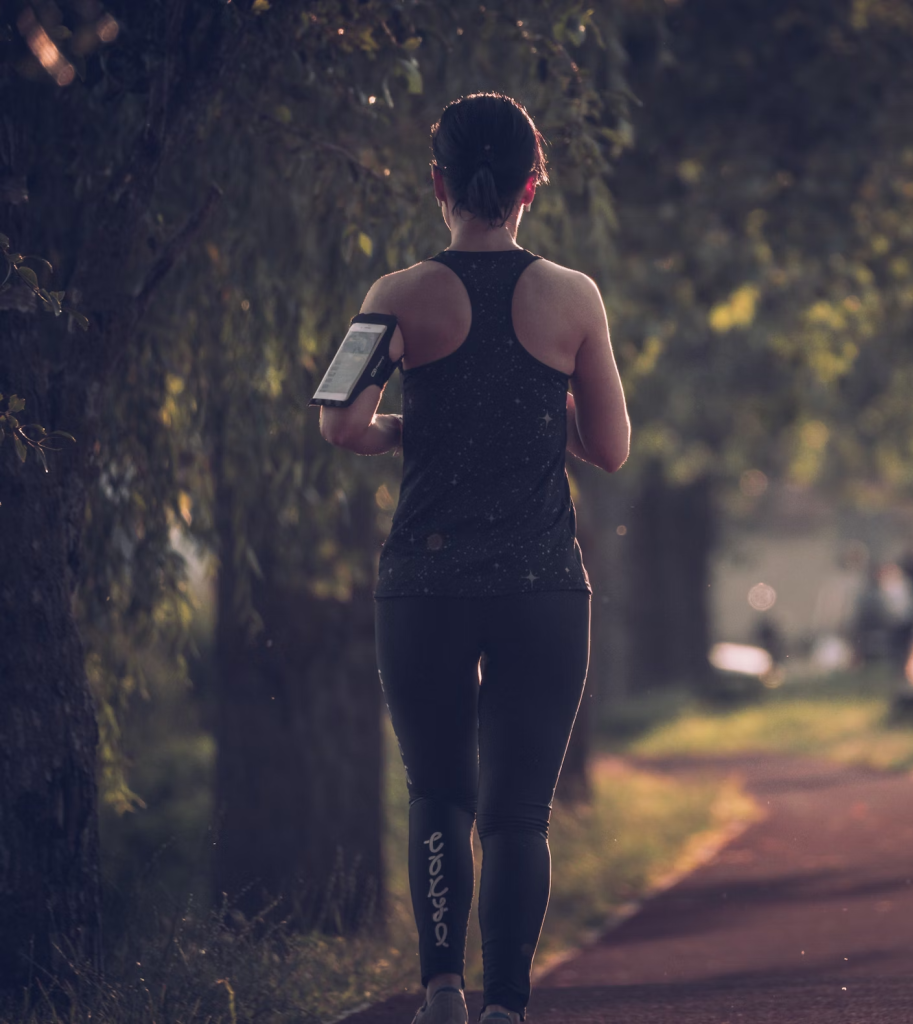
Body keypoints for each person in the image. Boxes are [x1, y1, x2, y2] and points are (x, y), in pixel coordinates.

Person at [320, 93, 629, 1024]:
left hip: (424, 584)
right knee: (518, 814)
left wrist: (421, 425)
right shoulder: (573, 297)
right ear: (534, 182)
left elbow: (340, 423)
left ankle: (441, 992)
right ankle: (507, 1007)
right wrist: (535, 411)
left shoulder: (394, 294)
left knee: (438, 794)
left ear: (438, 181)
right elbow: (609, 448)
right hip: (541, 585)